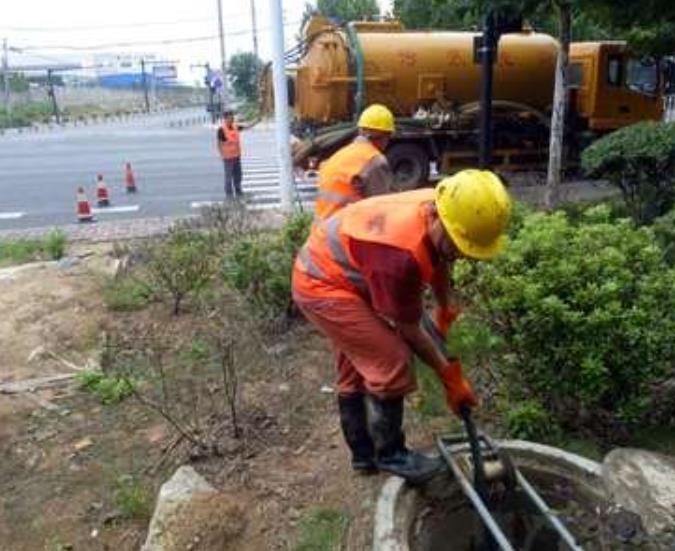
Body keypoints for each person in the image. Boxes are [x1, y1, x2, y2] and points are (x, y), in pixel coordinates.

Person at [292, 170, 512, 483]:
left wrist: (445, 304)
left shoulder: (440, 207)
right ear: (440, 218)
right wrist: (448, 376)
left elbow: (440, 257)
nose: (462, 254)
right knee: (391, 359)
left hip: (345, 271)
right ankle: (391, 454)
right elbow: (408, 329)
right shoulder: (400, 256)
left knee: (357, 362)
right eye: (460, 245)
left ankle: (363, 457)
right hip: (321, 284)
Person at [314, 103, 396, 222]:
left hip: (321, 233)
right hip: (343, 234)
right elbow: (381, 208)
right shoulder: (374, 160)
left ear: (360, 130)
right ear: (385, 136)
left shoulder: (341, 154)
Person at [217, 110, 244, 199]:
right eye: (229, 118)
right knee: (228, 177)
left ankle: (238, 191)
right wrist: (222, 155)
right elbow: (219, 144)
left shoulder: (235, 127)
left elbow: (246, 127)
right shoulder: (221, 130)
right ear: (225, 119)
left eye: (232, 117)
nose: (231, 119)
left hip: (236, 156)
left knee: (238, 175)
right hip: (228, 158)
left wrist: (257, 120)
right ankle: (229, 194)